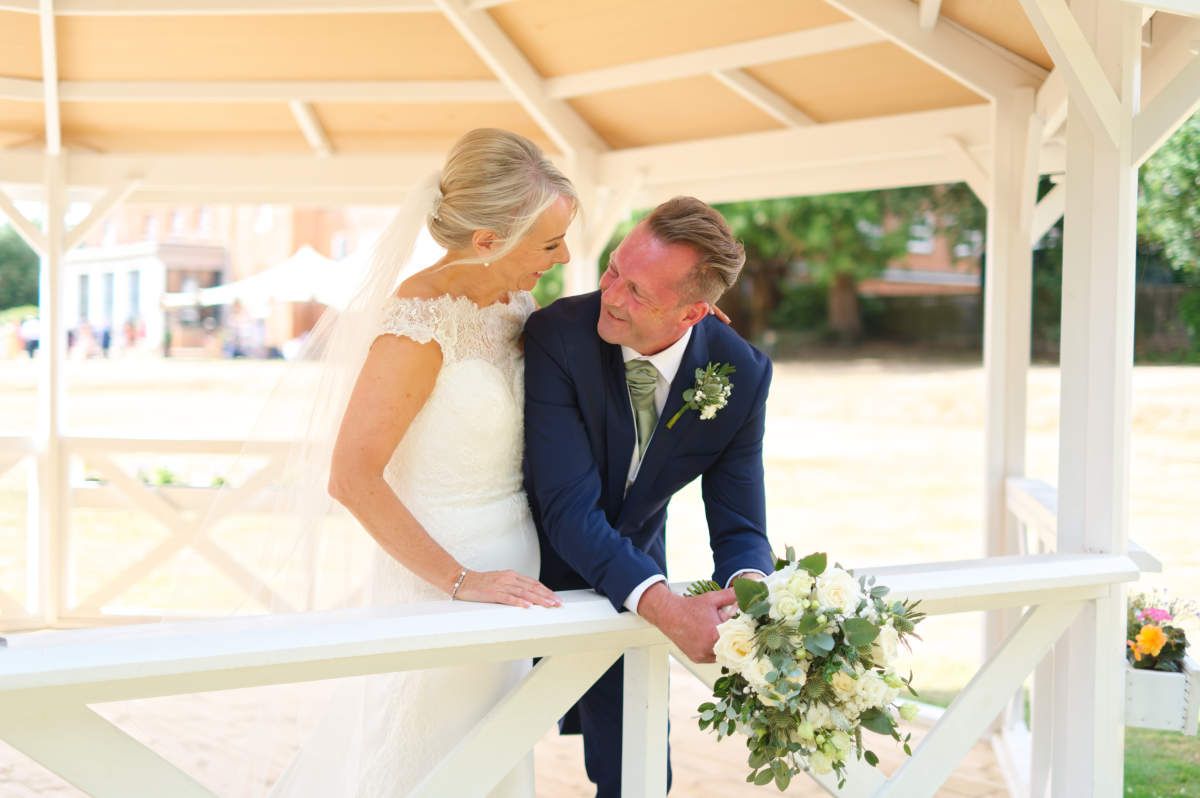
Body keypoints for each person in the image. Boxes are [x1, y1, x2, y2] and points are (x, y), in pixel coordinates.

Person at [265, 128, 573, 798]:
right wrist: (460, 580)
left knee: (489, 760)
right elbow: (351, 477)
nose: (564, 256)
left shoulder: (516, 301)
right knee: (419, 762)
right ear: (490, 240)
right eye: (550, 244)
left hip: (514, 581)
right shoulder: (417, 319)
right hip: (442, 579)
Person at [523, 197, 776, 797]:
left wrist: (751, 594)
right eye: (614, 270)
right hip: (522, 579)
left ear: (694, 312)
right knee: (479, 761)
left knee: (637, 774)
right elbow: (568, 509)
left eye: (638, 292)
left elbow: (741, 523)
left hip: (630, 588)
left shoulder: (743, 374)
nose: (611, 295)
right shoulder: (559, 335)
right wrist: (666, 608)